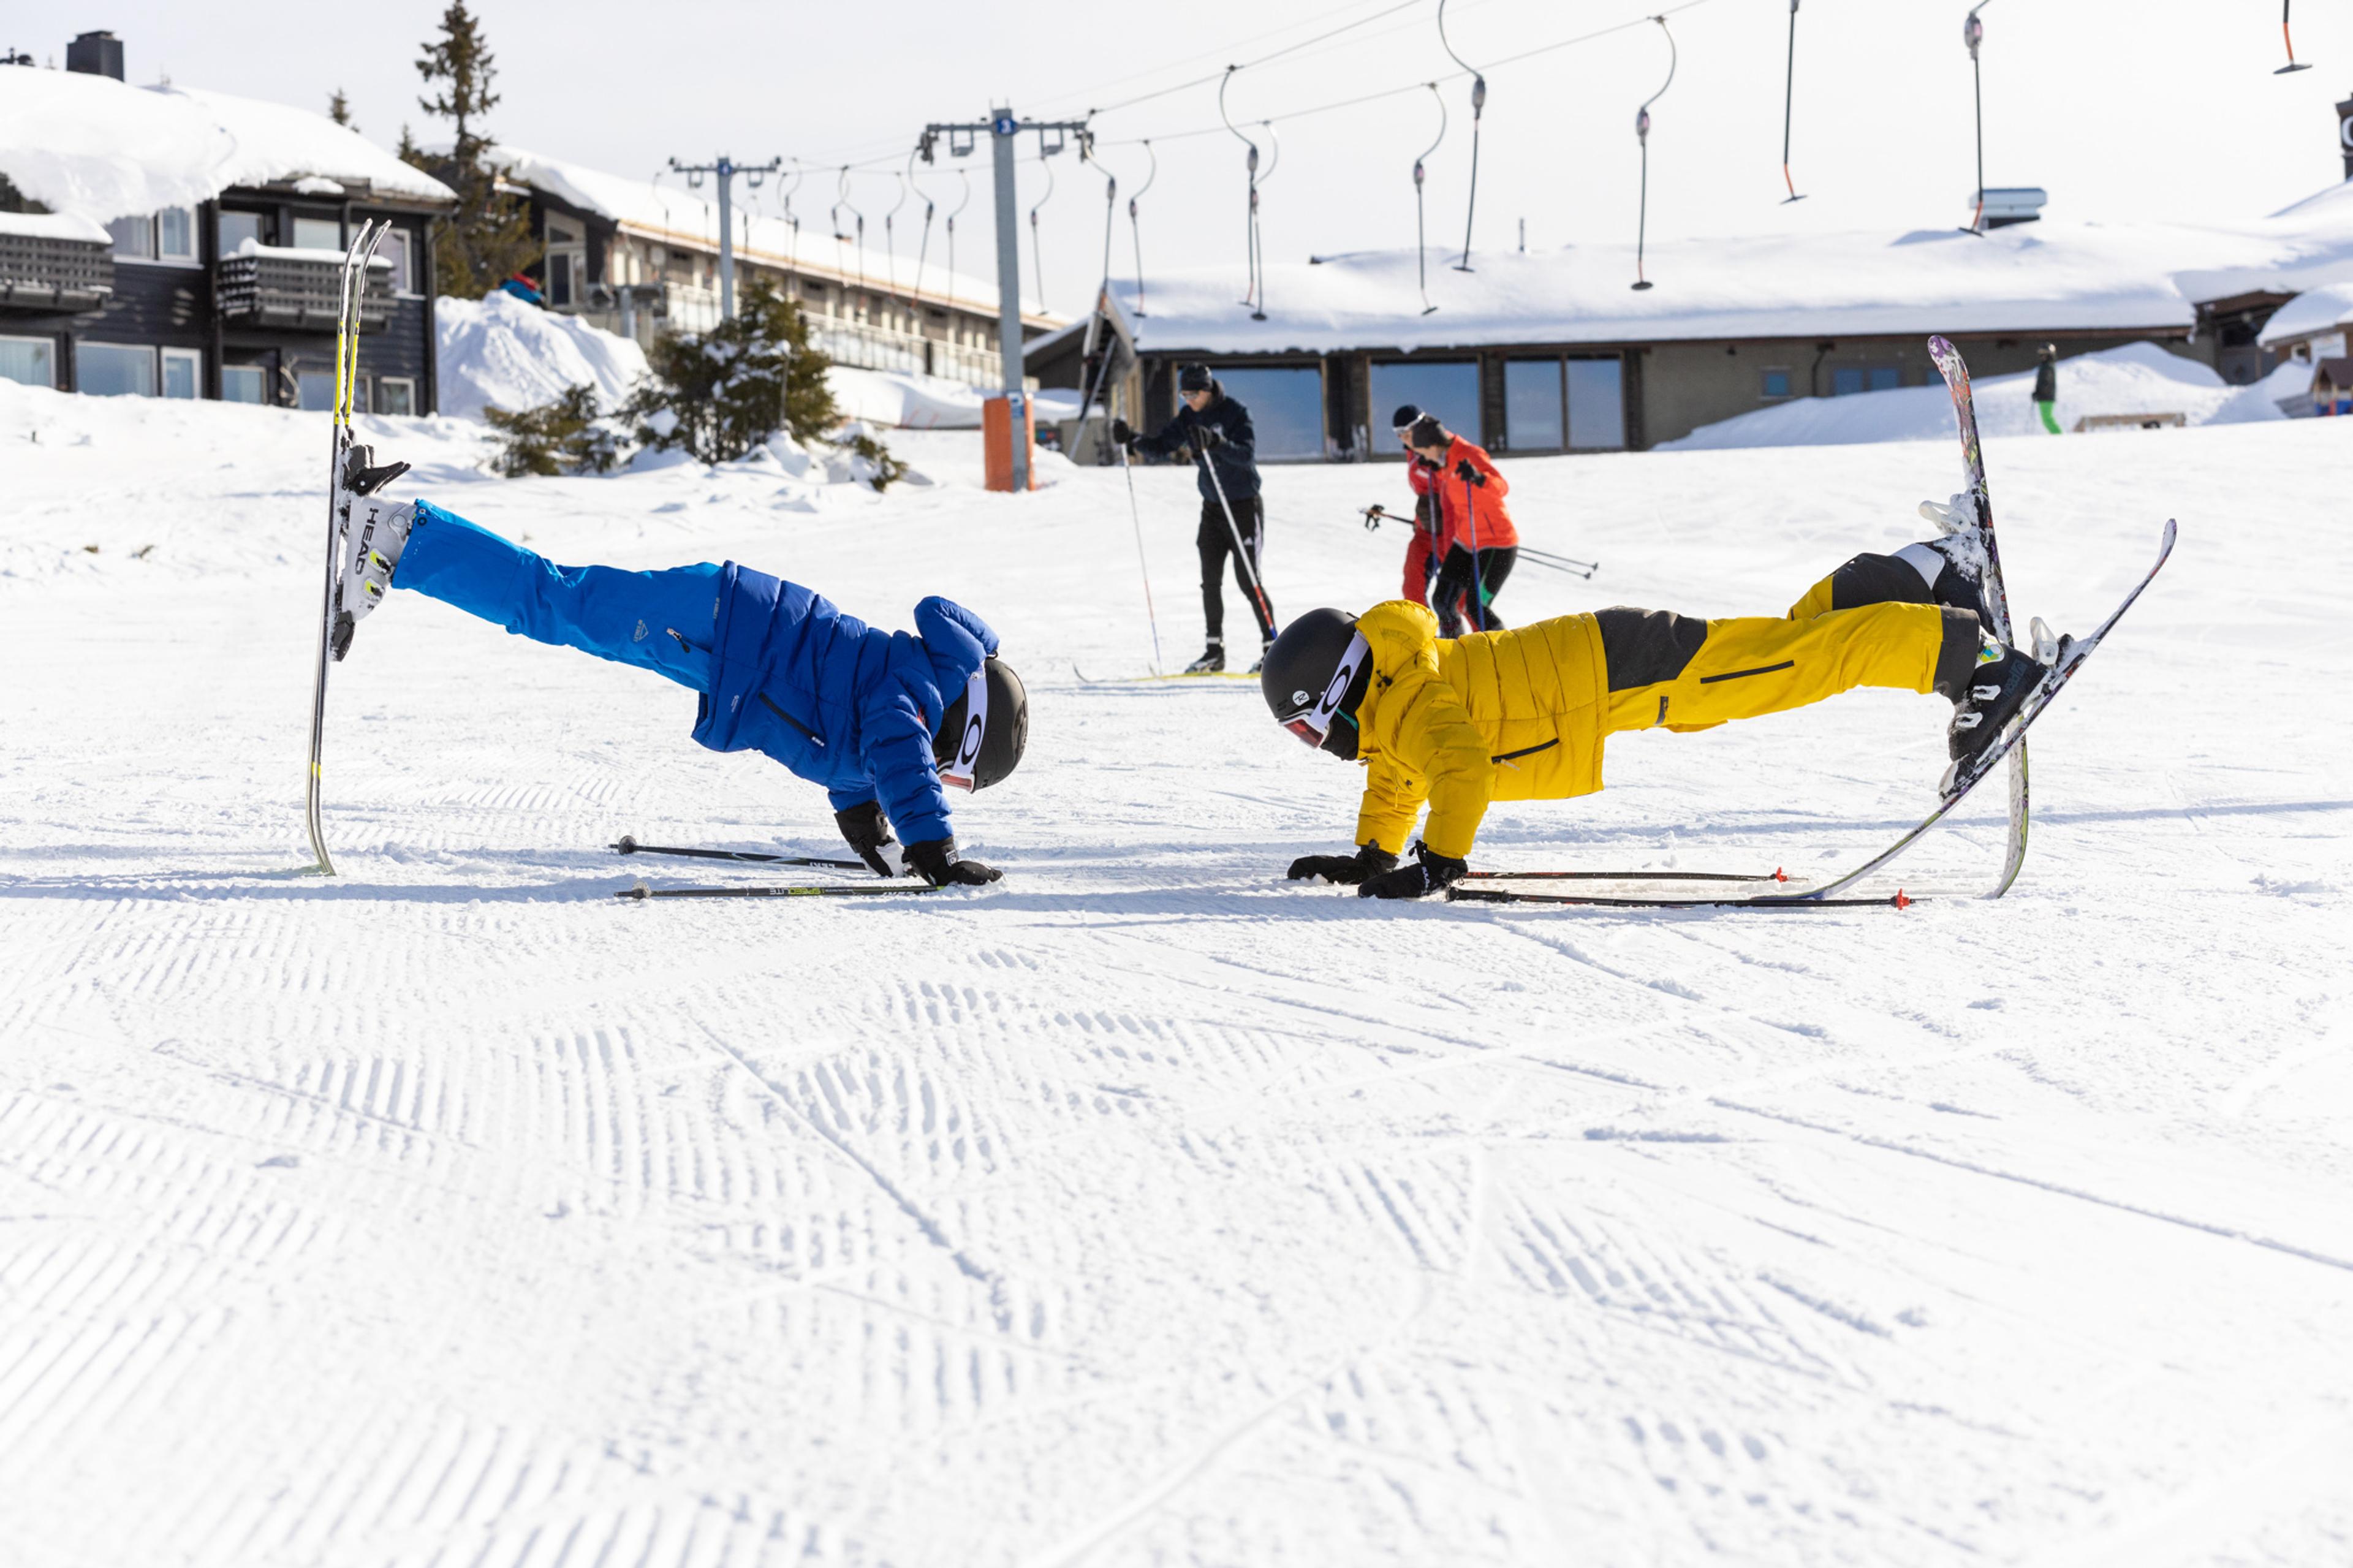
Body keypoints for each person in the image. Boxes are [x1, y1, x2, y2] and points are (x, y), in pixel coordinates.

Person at [325, 449, 1029, 886]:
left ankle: (394, 545)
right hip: (720, 627)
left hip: (725, 636)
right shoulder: (908, 695)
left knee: (557, 604)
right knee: (554, 603)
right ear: (963, 731)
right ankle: (395, 533)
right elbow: (897, 751)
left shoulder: (896, 703)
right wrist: (933, 847)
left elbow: (858, 755)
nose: (945, 780)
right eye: (957, 772)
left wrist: (874, 835)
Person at [1259, 521, 2054, 900]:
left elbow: (1459, 771)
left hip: (1620, 671)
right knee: (1780, 655)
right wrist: (1373, 852)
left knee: (1793, 667)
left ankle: (1979, 666)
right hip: (1613, 672)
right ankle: (1926, 569)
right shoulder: (1397, 694)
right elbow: (1401, 778)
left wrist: (1440, 860)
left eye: (1306, 724)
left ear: (1337, 691)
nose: (1312, 742)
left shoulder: (1408, 700)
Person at [1112, 363, 1276, 673]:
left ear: (1208, 390)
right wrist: (1132, 440)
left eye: (1192, 394)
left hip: (1242, 505)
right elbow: (1162, 447)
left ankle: (1273, 648)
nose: (1188, 400)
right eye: (1183, 394)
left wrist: (1217, 443)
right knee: (1209, 581)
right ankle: (1214, 651)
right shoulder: (1188, 417)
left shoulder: (1236, 413)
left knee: (1248, 580)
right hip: (1213, 508)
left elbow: (1247, 455)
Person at [1405, 414, 1520, 636]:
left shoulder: (1469, 455)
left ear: (1433, 445)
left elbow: (1502, 487)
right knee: (1443, 601)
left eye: (1423, 452)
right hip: (1466, 541)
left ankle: (1502, 651)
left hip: (1498, 543)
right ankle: (1455, 650)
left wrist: (1479, 478)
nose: (1423, 457)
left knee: (1475, 607)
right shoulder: (1443, 462)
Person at [1385, 403, 1449, 607]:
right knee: (1413, 589)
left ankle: (1472, 638)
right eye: (1398, 434)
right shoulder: (1412, 451)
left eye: (1406, 432)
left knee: (1459, 600)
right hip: (1426, 531)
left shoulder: (1441, 447)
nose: (1403, 439)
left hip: (1451, 532)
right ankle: (1426, 636)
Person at [2033, 344, 2061, 434]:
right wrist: (2037, 392)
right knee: (2046, 420)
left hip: (2047, 397)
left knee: (2047, 419)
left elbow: (2046, 382)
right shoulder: (2045, 366)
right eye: (2041, 355)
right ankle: (2055, 435)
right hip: (2044, 397)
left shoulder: (2048, 367)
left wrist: (2040, 392)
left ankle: (2058, 435)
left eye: (2044, 355)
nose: (2042, 357)